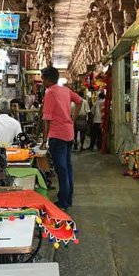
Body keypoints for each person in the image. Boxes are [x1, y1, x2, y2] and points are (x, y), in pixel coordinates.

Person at [40, 66, 82, 210]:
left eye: (42, 78)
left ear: (47, 79)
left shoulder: (50, 92)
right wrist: (72, 119)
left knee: (61, 169)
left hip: (57, 135)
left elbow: (47, 119)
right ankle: (67, 198)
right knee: (68, 167)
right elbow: (79, 101)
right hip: (69, 134)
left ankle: (63, 201)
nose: (41, 81)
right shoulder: (66, 90)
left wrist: (44, 141)